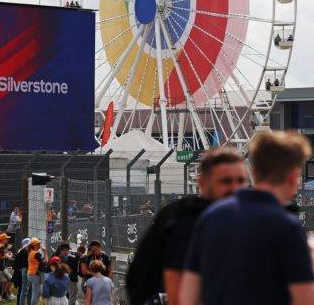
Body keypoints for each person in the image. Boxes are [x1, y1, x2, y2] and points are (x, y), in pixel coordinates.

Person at [181, 131, 314, 305]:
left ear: (253, 170)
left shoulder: (211, 217)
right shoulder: (286, 226)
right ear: (292, 176)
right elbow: (305, 299)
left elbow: (188, 295)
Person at [126, 146, 247, 305]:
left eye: (241, 181)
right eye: (225, 181)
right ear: (202, 183)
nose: (235, 189)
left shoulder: (242, 218)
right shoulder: (187, 221)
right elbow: (178, 297)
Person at [0, 233, 14, 302]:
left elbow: (2, 256)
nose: (7, 240)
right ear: (3, 240)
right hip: (0, 268)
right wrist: (10, 255)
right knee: (9, 280)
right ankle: (4, 296)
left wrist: (7, 251)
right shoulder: (1, 246)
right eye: (6, 239)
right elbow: (6, 255)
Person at [27, 237, 47, 305]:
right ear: (34, 245)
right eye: (38, 244)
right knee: (35, 293)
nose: (39, 245)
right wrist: (44, 251)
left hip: (31, 274)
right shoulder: (36, 253)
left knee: (36, 293)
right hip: (34, 274)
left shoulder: (31, 252)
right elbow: (45, 261)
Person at [15, 238, 31, 305]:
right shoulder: (25, 251)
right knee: (23, 290)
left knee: (22, 290)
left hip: (21, 271)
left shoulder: (21, 251)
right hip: (24, 271)